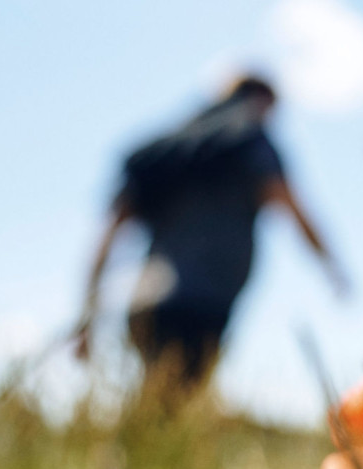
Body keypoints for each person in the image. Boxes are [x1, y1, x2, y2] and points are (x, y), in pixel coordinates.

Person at [74, 74, 346, 405]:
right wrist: (331, 266)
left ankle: (125, 452)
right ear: (261, 100)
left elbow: (109, 235)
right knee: (176, 409)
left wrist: (86, 315)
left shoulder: (165, 151)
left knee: (154, 402)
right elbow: (292, 208)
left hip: (146, 297)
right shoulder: (252, 141)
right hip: (205, 301)